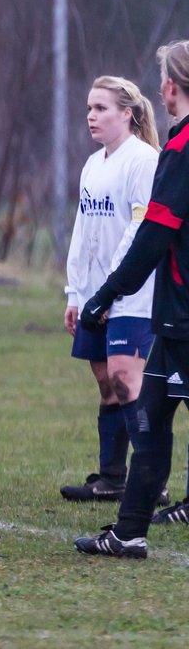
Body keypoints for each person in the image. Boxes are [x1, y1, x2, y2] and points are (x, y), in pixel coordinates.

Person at [75, 40, 189, 558]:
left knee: (149, 407)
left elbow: (151, 236)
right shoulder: (174, 143)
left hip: (178, 312)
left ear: (169, 87)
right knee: (151, 412)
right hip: (172, 318)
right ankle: (128, 531)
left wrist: (107, 292)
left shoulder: (178, 150)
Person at [61, 76, 161, 502]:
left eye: (101, 108)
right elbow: (84, 232)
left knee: (125, 376)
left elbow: (141, 229)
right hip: (94, 296)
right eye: (88, 108)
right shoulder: (92, 164)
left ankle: (149, 482)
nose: (91, 116)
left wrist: (109, 290)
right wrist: (75, 293)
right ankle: (112, 477)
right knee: (106, 382)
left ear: (128, 113)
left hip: (132, 294)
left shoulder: (144, 161)